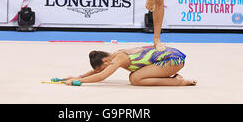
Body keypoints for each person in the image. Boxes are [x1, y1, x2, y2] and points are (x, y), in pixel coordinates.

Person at [62, 46, 197, 86]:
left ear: (105, 62)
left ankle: (177, 81)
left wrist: (79, 81)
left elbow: (101, 75)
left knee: (135, 79)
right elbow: (98, 72)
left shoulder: (119, 58)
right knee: (134, 76)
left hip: (172, 60)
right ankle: (176, 80)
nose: (106, 69)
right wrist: (78, 76)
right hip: (170, 59)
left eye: (104, 67)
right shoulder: (115, 55)